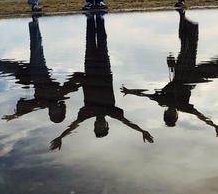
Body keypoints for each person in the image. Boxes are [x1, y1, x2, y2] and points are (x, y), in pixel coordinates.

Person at [121, 10, 218, 136]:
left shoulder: (165, 102)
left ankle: (185, 21)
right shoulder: (177, 106)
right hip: (191, 75)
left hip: (187, 73)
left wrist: (129, 91)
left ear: (168, 114)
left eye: (170, 115)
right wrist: (213, 124)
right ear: (175, 115)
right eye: (173, 115)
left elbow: (144, 94)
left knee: (214, 64)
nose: (171, 113)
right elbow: (200, 116)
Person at [49, 12, 153, 150]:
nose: (99, 125)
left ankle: (91, 16)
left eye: (97, 127)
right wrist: (142, 131)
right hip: (104, 69)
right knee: (102, 40)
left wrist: (61, 137)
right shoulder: (112, 112)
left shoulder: (87, 113)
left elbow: (73, 125)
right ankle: (99, 15)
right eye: (101, 127)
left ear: (94, 126)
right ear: (107, 125)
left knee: (90, 39)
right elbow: (127, 122)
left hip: (90, 67)